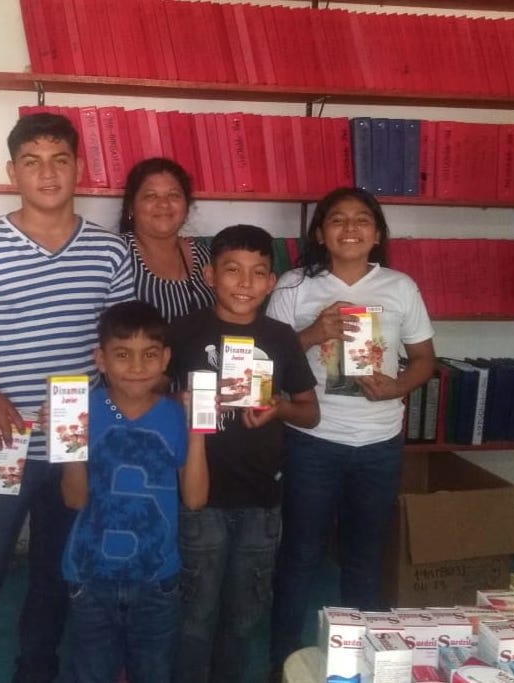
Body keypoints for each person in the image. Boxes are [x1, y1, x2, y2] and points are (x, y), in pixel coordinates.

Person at [0, 112, 134, 683]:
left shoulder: (110, 253)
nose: (47, 173)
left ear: (78, 169)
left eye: (60, 159)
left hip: (76, 443)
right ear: (14, 171)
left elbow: (126, 347)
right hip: (3, 440)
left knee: (57, 579)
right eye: (32, 162)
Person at [267, 187, 437, 676]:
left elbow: (425, 360)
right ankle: (280, 658)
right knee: (299, 556)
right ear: (320, 232)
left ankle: (360, 662)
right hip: (313, 441)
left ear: (378, 233)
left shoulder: (400, 287)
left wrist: (397, 387)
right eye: (336, 220)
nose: (349, 228)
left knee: (364, 558)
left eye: (362, 220)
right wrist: (312, 335)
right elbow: (266, 361)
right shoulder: (294, 286)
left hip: (379, 442)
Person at [165, 224, 320, 683]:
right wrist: (181, 402)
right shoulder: (185, 330)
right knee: (194, 617)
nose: (245, 283)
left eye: (258, 273)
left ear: (272, 282)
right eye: (232, 270)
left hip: (260, 499)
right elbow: (147, 393)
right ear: (210, 275)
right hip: (200, 498)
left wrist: (279, 409)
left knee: (243, 618)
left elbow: (310, 413)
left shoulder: (280, 337)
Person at [59, 300, 208, 683]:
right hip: (90, 578)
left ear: (165, 359)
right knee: (91, 671)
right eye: (123, 355)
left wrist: (197, 431)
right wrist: (69, 443)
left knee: (154, 671)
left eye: (149, 355)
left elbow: (194, 498)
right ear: (101, 359)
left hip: (157, 577)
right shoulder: (82, 410)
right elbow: (74, 499)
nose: (137, 367)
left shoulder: (175, 415)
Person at [118, 157, 215, 322]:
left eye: (173, 195)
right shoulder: (116, 255)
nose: (163, 204)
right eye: (150, 196)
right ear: (131, 207)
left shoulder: (206, 256)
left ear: (186, 206)